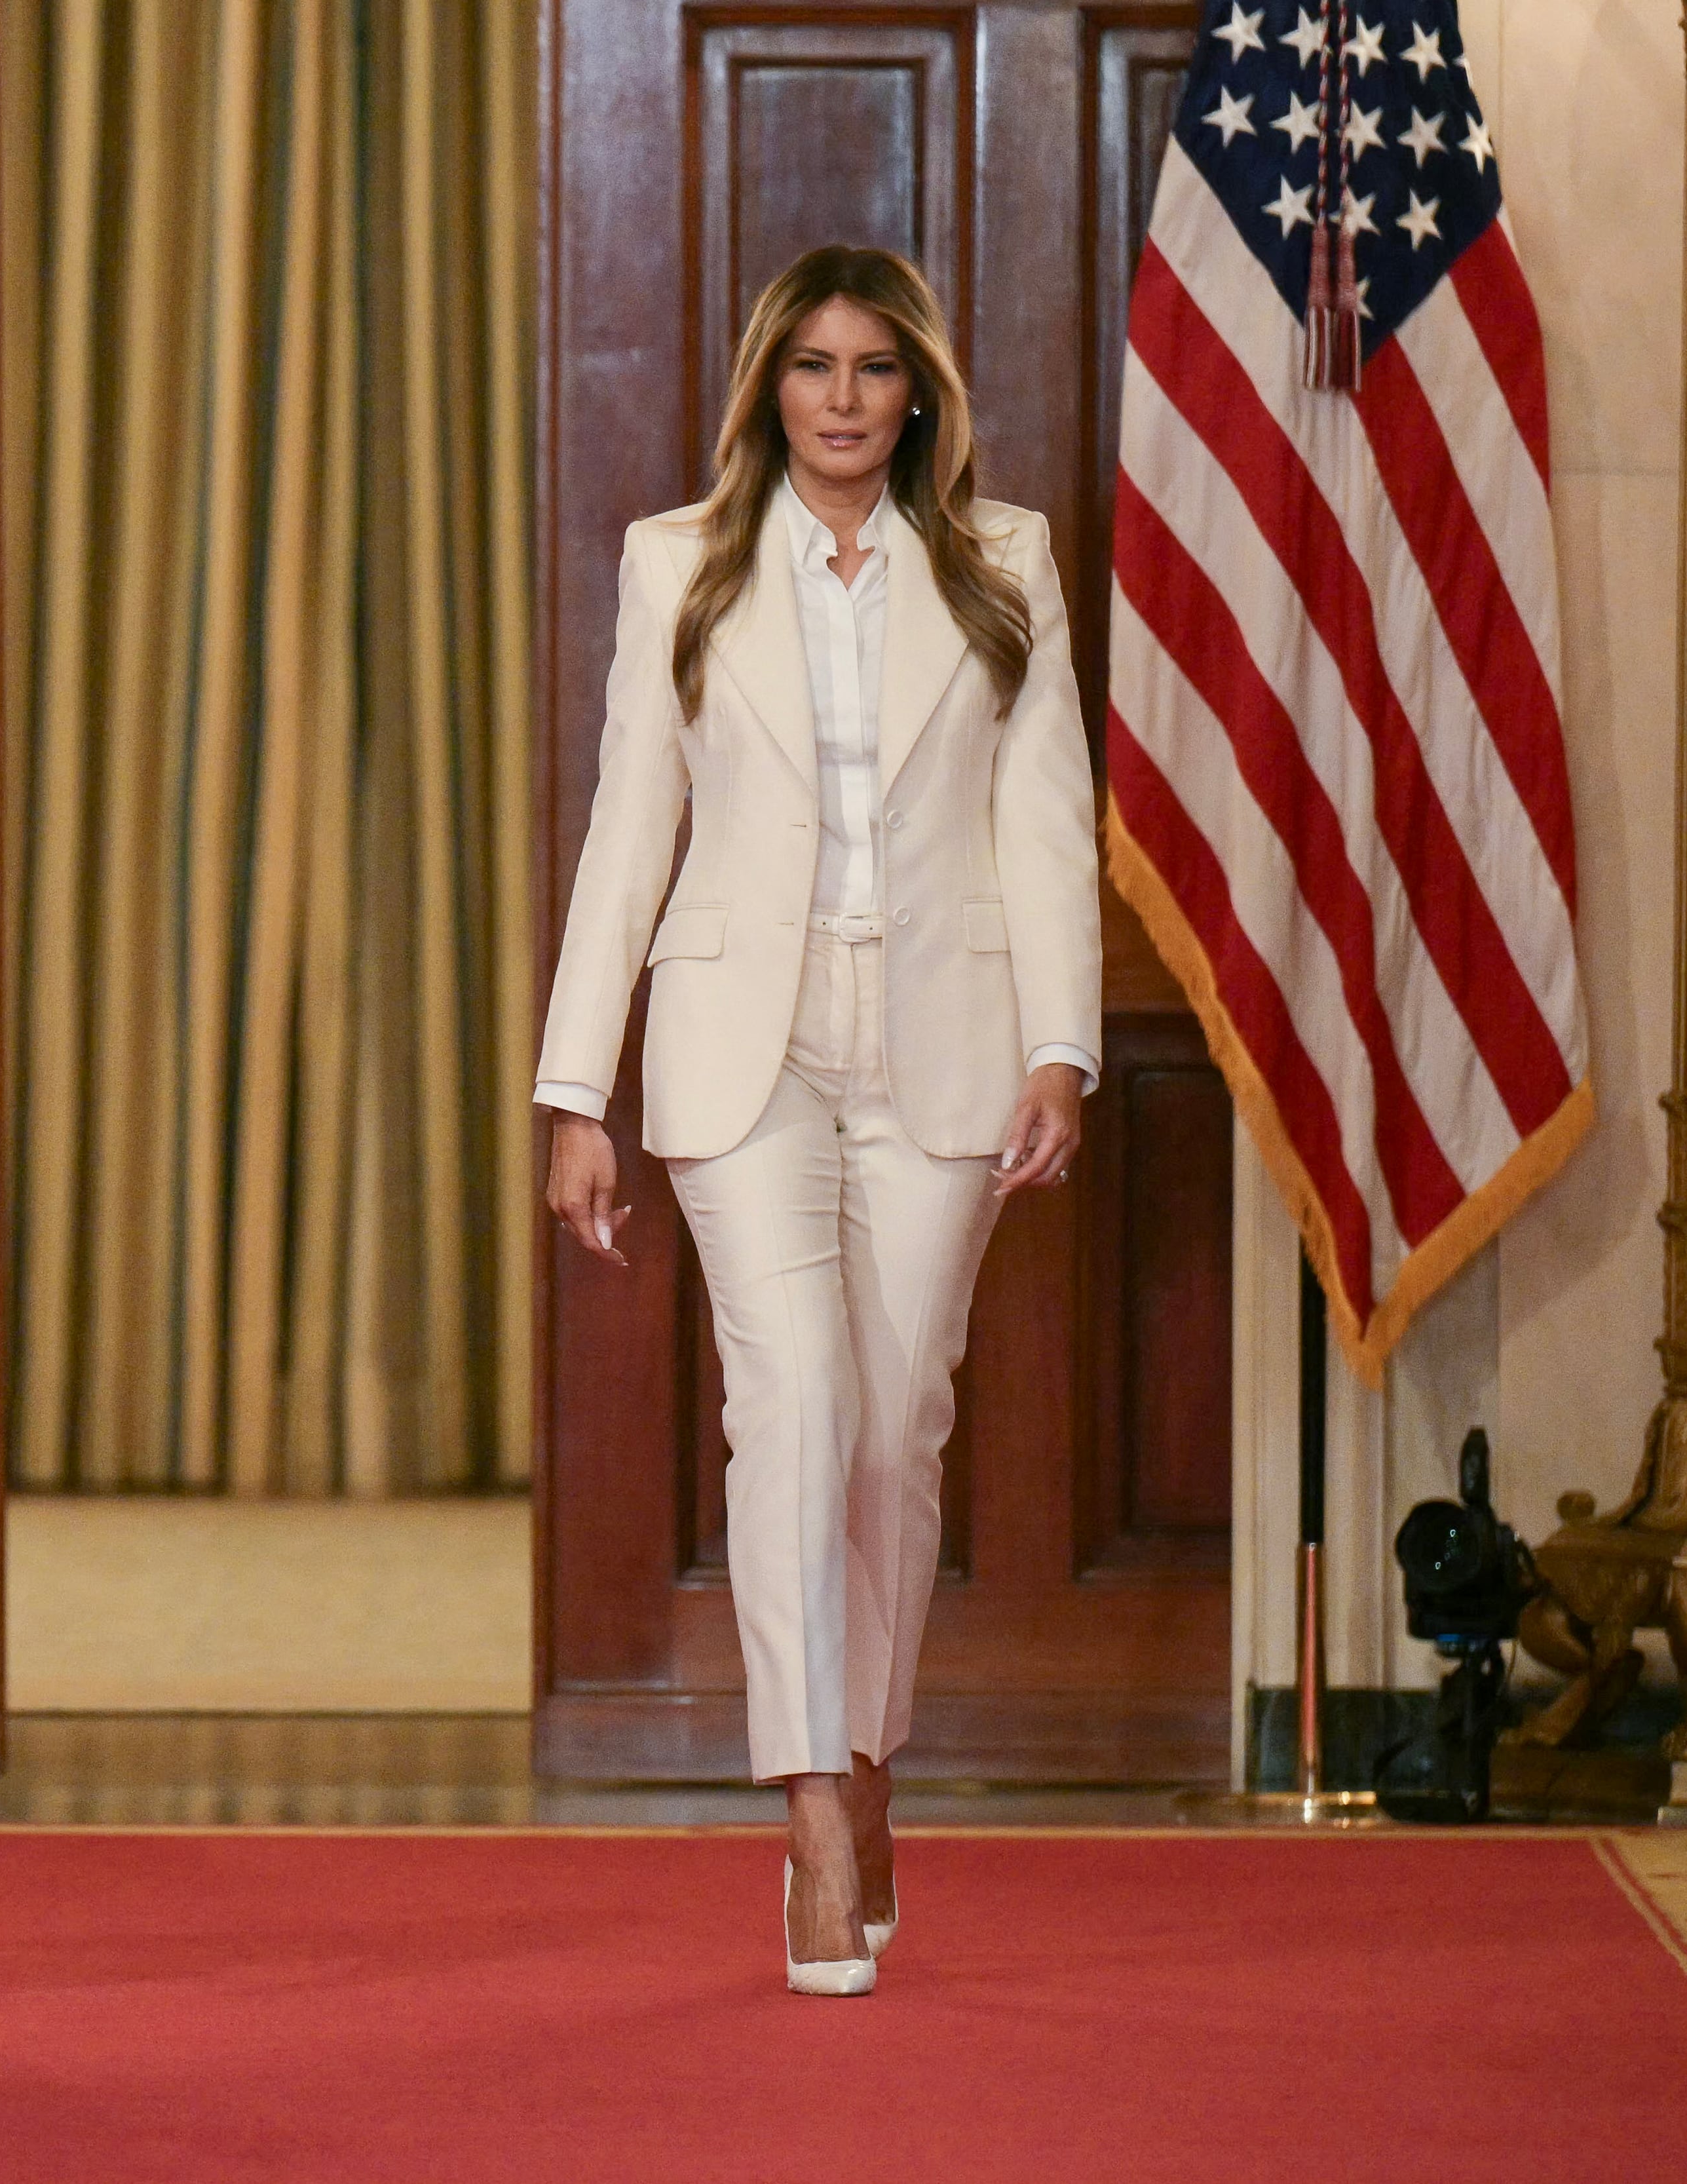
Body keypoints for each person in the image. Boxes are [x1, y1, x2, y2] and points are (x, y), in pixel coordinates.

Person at [534, 246, 1098, 1996]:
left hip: (945, 1039)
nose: (842, 399)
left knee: (893, 1430)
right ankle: (814, 1830)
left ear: (915, 390)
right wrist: (576, 1091)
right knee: (785, 1414)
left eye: (873, 369)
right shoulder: (677, 562)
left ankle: (868, 1750)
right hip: (738, 1048)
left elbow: (1047, 815)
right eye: (813, 367)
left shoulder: (1003, 562)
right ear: (769, 385)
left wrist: (1064, 1046)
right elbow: (630, 827)